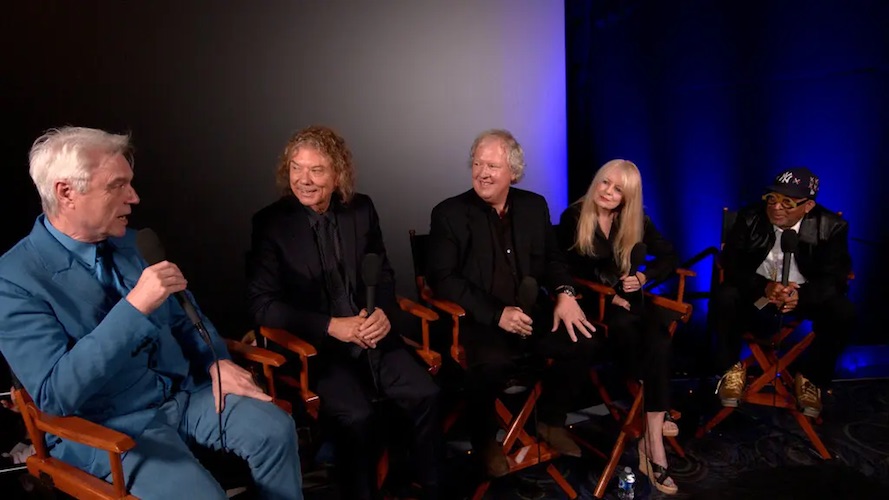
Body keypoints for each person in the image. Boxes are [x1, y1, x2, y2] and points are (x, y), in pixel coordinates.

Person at [0, 127, 302, 499]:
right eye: (117, 186)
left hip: (184, 395)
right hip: (113, 426)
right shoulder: (13, 279)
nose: (134, 197)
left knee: (274, 429)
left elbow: (186, 316)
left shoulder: (132, 242)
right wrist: (135, 307)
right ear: (67, 193)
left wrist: (215, 361)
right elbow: (54, 394)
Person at [247, 125, 441, 500]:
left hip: (372, 335)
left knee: (428, 394)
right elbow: (262, 305)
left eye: (316, 170)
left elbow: (382, 274)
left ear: (338, 174)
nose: (303, 180)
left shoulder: (361, 209)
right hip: (318, 349)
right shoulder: (271, 224)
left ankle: (432, 490)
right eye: (295, 168)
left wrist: (381, 312)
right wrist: (332, 326)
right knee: (357, 417)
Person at [426, 129, 598, 478]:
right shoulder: (448, 213)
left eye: (492, 165)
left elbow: (553, 260)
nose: (482, 172)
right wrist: (496, 314)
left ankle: (551, 420)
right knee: (489, 363)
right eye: (477, 163)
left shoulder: (535, 206)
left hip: (533, 313)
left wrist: (565, 292)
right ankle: (485, 438)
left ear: (513, 173)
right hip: (478, 320)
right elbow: (442, 279)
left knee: (585, 341)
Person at [558, 159, 679, 495]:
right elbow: (564, 269)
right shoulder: (574, 217)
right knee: (635, 330)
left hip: (632, 305)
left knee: (660, 339)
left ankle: (652, 440)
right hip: (594, 309)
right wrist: (609, 294)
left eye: (618, 190)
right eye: (605, 183)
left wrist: (644, 276)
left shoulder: (636, 219)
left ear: (629, 197)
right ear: (596, 182)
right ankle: (657, 419)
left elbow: (669, 256)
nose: (608, 193)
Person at [712, 167, 854, 419]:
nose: (776, 207)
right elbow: (731, 264)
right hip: (758, 295)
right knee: (725, 296)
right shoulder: (749, 217)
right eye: (772, 198)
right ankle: (730, 370)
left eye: (787, 202)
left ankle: (811, 378)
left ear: (808, 206)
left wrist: (803, 295)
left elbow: (836, 277)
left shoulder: (832, 226)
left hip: (802, 297)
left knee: (842, 309)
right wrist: (762, 286)